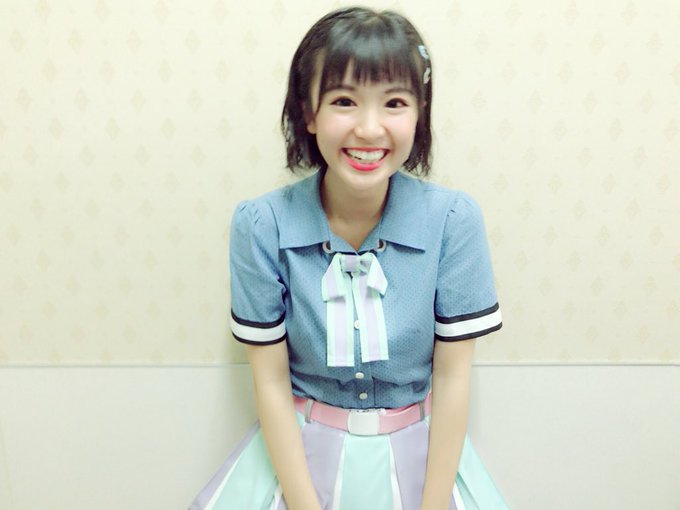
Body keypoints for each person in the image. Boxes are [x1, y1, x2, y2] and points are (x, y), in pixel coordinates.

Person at [190, 7, 507, 510]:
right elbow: (270, 381)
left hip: (424, 462)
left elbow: (452, 378)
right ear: (308, 112)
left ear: (419, 113)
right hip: (296, 460)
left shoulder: (452, 220)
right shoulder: (262, 225)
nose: (369, 128)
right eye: (344, 101)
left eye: (395, 103)